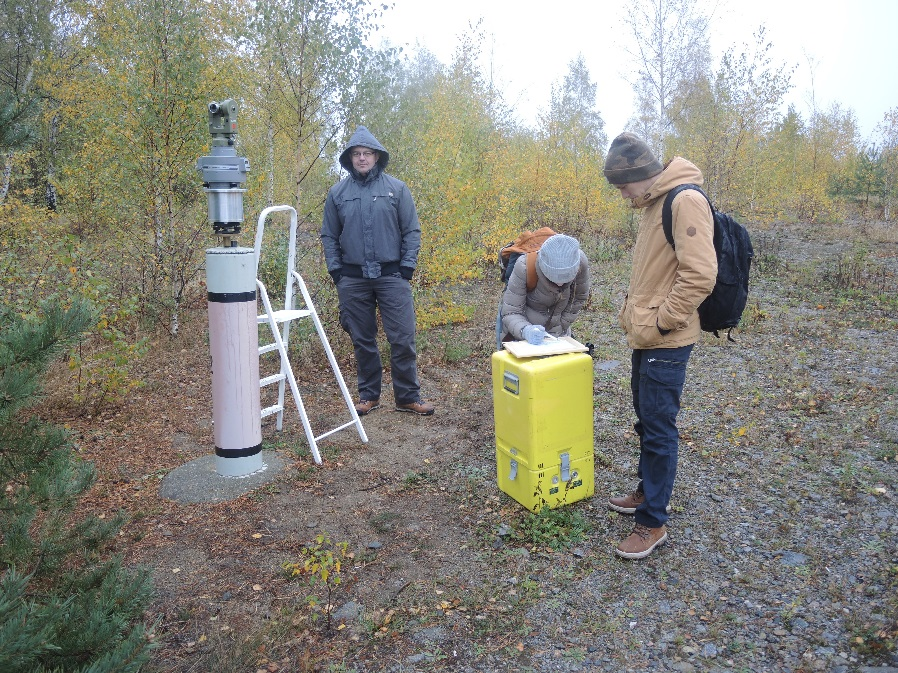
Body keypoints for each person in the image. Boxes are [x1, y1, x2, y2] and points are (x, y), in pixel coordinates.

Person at [603, 132, 716, 560]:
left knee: (659, 427)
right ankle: (645, 491)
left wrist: (663, 320)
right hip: (648, 334)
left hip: (664, 339)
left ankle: (652, 522)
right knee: (646, 422)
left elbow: (700, 274)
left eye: (621, 184)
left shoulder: (683, 200)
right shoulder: (654, 201)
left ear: (639, 174)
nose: (621, 193)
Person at [320, 126, 434, 417]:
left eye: (367, 153)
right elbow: (329, 236)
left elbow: (412, 231)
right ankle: (369, 395)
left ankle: (407, 397)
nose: (362, 159)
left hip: (392, 276)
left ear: (376, 157)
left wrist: (406, 267)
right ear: (349, 158)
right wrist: (337, 272)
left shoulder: (396, 189)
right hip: (353, 279)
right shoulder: (337, 193)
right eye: (356, 154)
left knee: (403, 337)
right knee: (363, 339)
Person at [499, 234, 590, 345]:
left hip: (558, 335)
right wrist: (525, 330)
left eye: (566, 278)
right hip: (522, 334)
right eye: (554, 278)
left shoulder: (580, 263)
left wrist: (561, 325)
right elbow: (511, 311)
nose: (560, 283)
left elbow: (578, 298)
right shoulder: (524, 267)